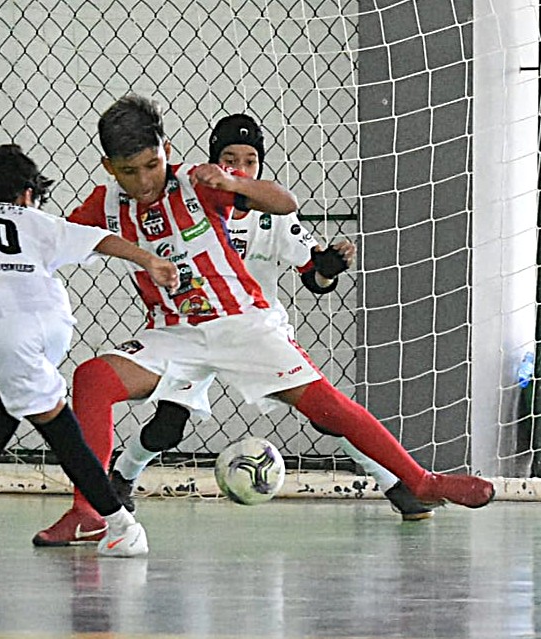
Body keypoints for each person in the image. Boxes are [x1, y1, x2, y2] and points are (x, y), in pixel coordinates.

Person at [32, 94, 493, 546]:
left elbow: (284, 202)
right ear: (110, 167)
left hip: (243, 323)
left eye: (152, 165)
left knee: (323, 406)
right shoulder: (105, 203)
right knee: (93, 378)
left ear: (165, 152)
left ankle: (419, 480)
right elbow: (62, 241)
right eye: (129, 172)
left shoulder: (198, 181)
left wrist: (237, 184)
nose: (144, 181)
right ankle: (88, 509)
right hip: (174, 334)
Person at [104, 113, 435, 523]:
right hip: (192, 329)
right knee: (168, 427)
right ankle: (122, 476)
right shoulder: (191, 199)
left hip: (253, 327)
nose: (239, 168)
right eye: (229, 158)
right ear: (212, 160)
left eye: (249, 160)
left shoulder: (269, 213)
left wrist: (328, 267)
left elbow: (315, 280)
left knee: (328, 413)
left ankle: (396, 485)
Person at [0, 144, 179, 558]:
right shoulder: (37, 221)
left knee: (61, 432)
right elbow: (103, 240)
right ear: (26, 195)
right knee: (18, 388)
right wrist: (148, 259)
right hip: (53, 322)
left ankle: (121, 525)